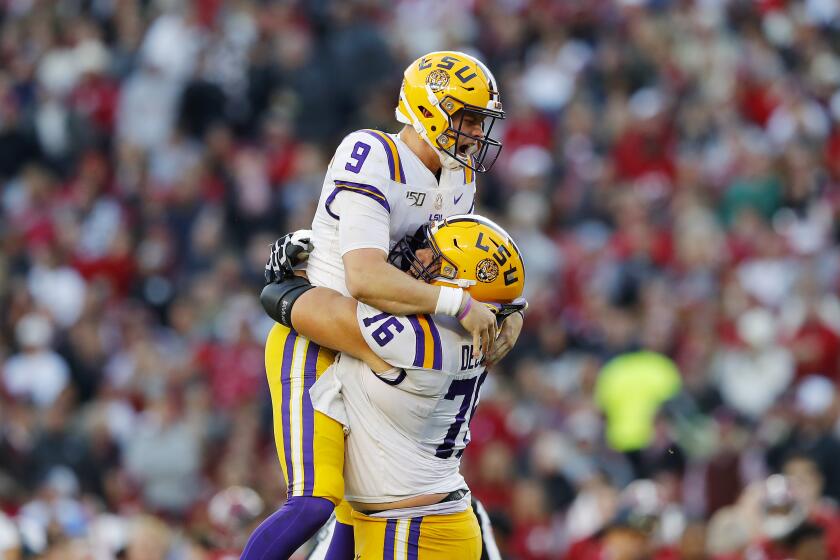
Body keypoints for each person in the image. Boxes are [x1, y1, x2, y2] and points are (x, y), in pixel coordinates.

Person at [242, 51, 523, 560]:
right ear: (427, 108)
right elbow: (366, 277)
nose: (476, 132)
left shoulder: (459, 175)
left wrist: (511, 307)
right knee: (314, 502)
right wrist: (458, 304)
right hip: (320, 333)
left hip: (385, 344)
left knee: (363, 505)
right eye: (467, 117)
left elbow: (462, 254)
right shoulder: (373, 154)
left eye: (482, 119)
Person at [264, 215, 526, 558]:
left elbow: (285, 302)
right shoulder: (478, 335)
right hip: (424, 520)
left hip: (413, 528)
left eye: (436, 260)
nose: (419, 258)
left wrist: (283, 270)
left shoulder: (416, 341)